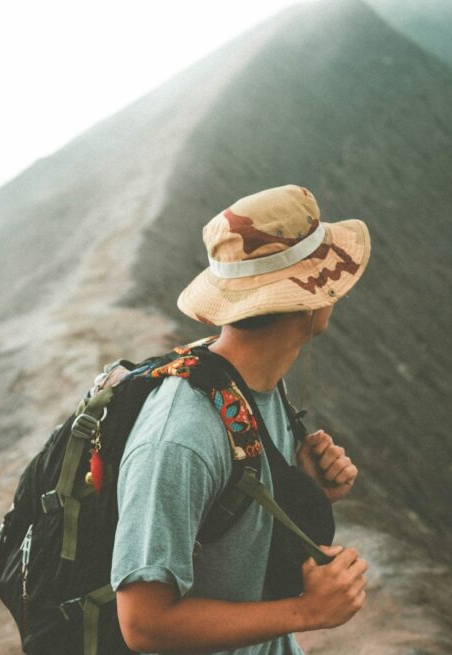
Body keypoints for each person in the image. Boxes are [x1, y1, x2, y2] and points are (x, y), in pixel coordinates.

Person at [111, 184, 372, 654]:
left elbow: (231, 542)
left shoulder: (251, 380)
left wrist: (307, 489)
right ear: (305, 297)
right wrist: (308, 613)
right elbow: (143, 625)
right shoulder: (180, 438)